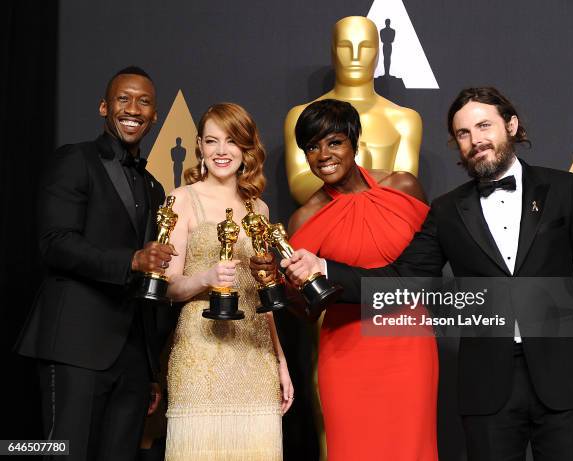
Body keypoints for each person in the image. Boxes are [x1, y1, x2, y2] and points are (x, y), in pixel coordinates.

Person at [284, 87, 573, 461]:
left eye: (484, 126)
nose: (476, 141)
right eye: (463, 134)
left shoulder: (564, 189)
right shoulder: (447, 210)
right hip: (488, 389)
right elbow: (404, 280)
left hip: (569, 382)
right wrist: (324, 268)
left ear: (511, 125)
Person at [255, 99, 438, 460]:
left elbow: (426, 270)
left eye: (334, 142)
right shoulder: (304, 218)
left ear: (355, 141)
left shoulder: (403, 186)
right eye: (312, 147)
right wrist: (271, 283)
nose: (323, 154)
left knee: (410, 449)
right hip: (346, 353)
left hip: (409, 347)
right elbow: (306, 310)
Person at [16, 66, 177, 460]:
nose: (133, 109)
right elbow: (55, 244)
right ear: (104, 107)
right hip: (76, 346)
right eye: (123, 99)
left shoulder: (154, 186)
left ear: (155, 115)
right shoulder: (75, 160)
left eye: (144, 101)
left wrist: (151, 369)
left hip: (133, 360)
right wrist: (133, 260)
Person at [163, 102, 293, 461]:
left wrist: (280, 362)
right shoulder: (181, 200)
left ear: (247, 147)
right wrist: (206, 278)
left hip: (254, 352)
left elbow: (263, 292)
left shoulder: (259, 209)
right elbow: (171, 287)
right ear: (200, 147)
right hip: (200, 353)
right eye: (212, 141)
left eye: (232, 141)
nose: (222, 151)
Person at [284, 16, 422, 204]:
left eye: (365, 47)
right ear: (332, 52)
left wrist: (351, 179)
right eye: (344, 47)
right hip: (326, 225)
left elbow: (404, 189)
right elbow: (299, 186)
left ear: (378, 53)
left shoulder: (405, 120)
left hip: (387, 226)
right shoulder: (300, 115)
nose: (355, 56)